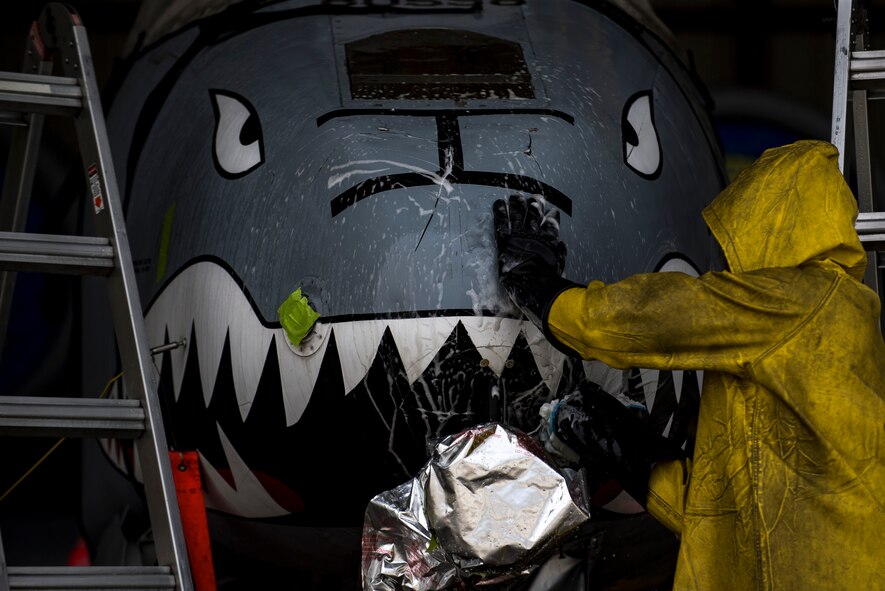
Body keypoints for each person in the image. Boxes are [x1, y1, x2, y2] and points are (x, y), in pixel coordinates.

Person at [492, 140, 885, 590]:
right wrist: (628, 449)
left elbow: (662, 313)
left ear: (776, 222)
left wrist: (546, 294)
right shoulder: (819, 325)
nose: (727, 263)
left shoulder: (801, 303)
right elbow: (716, 514)